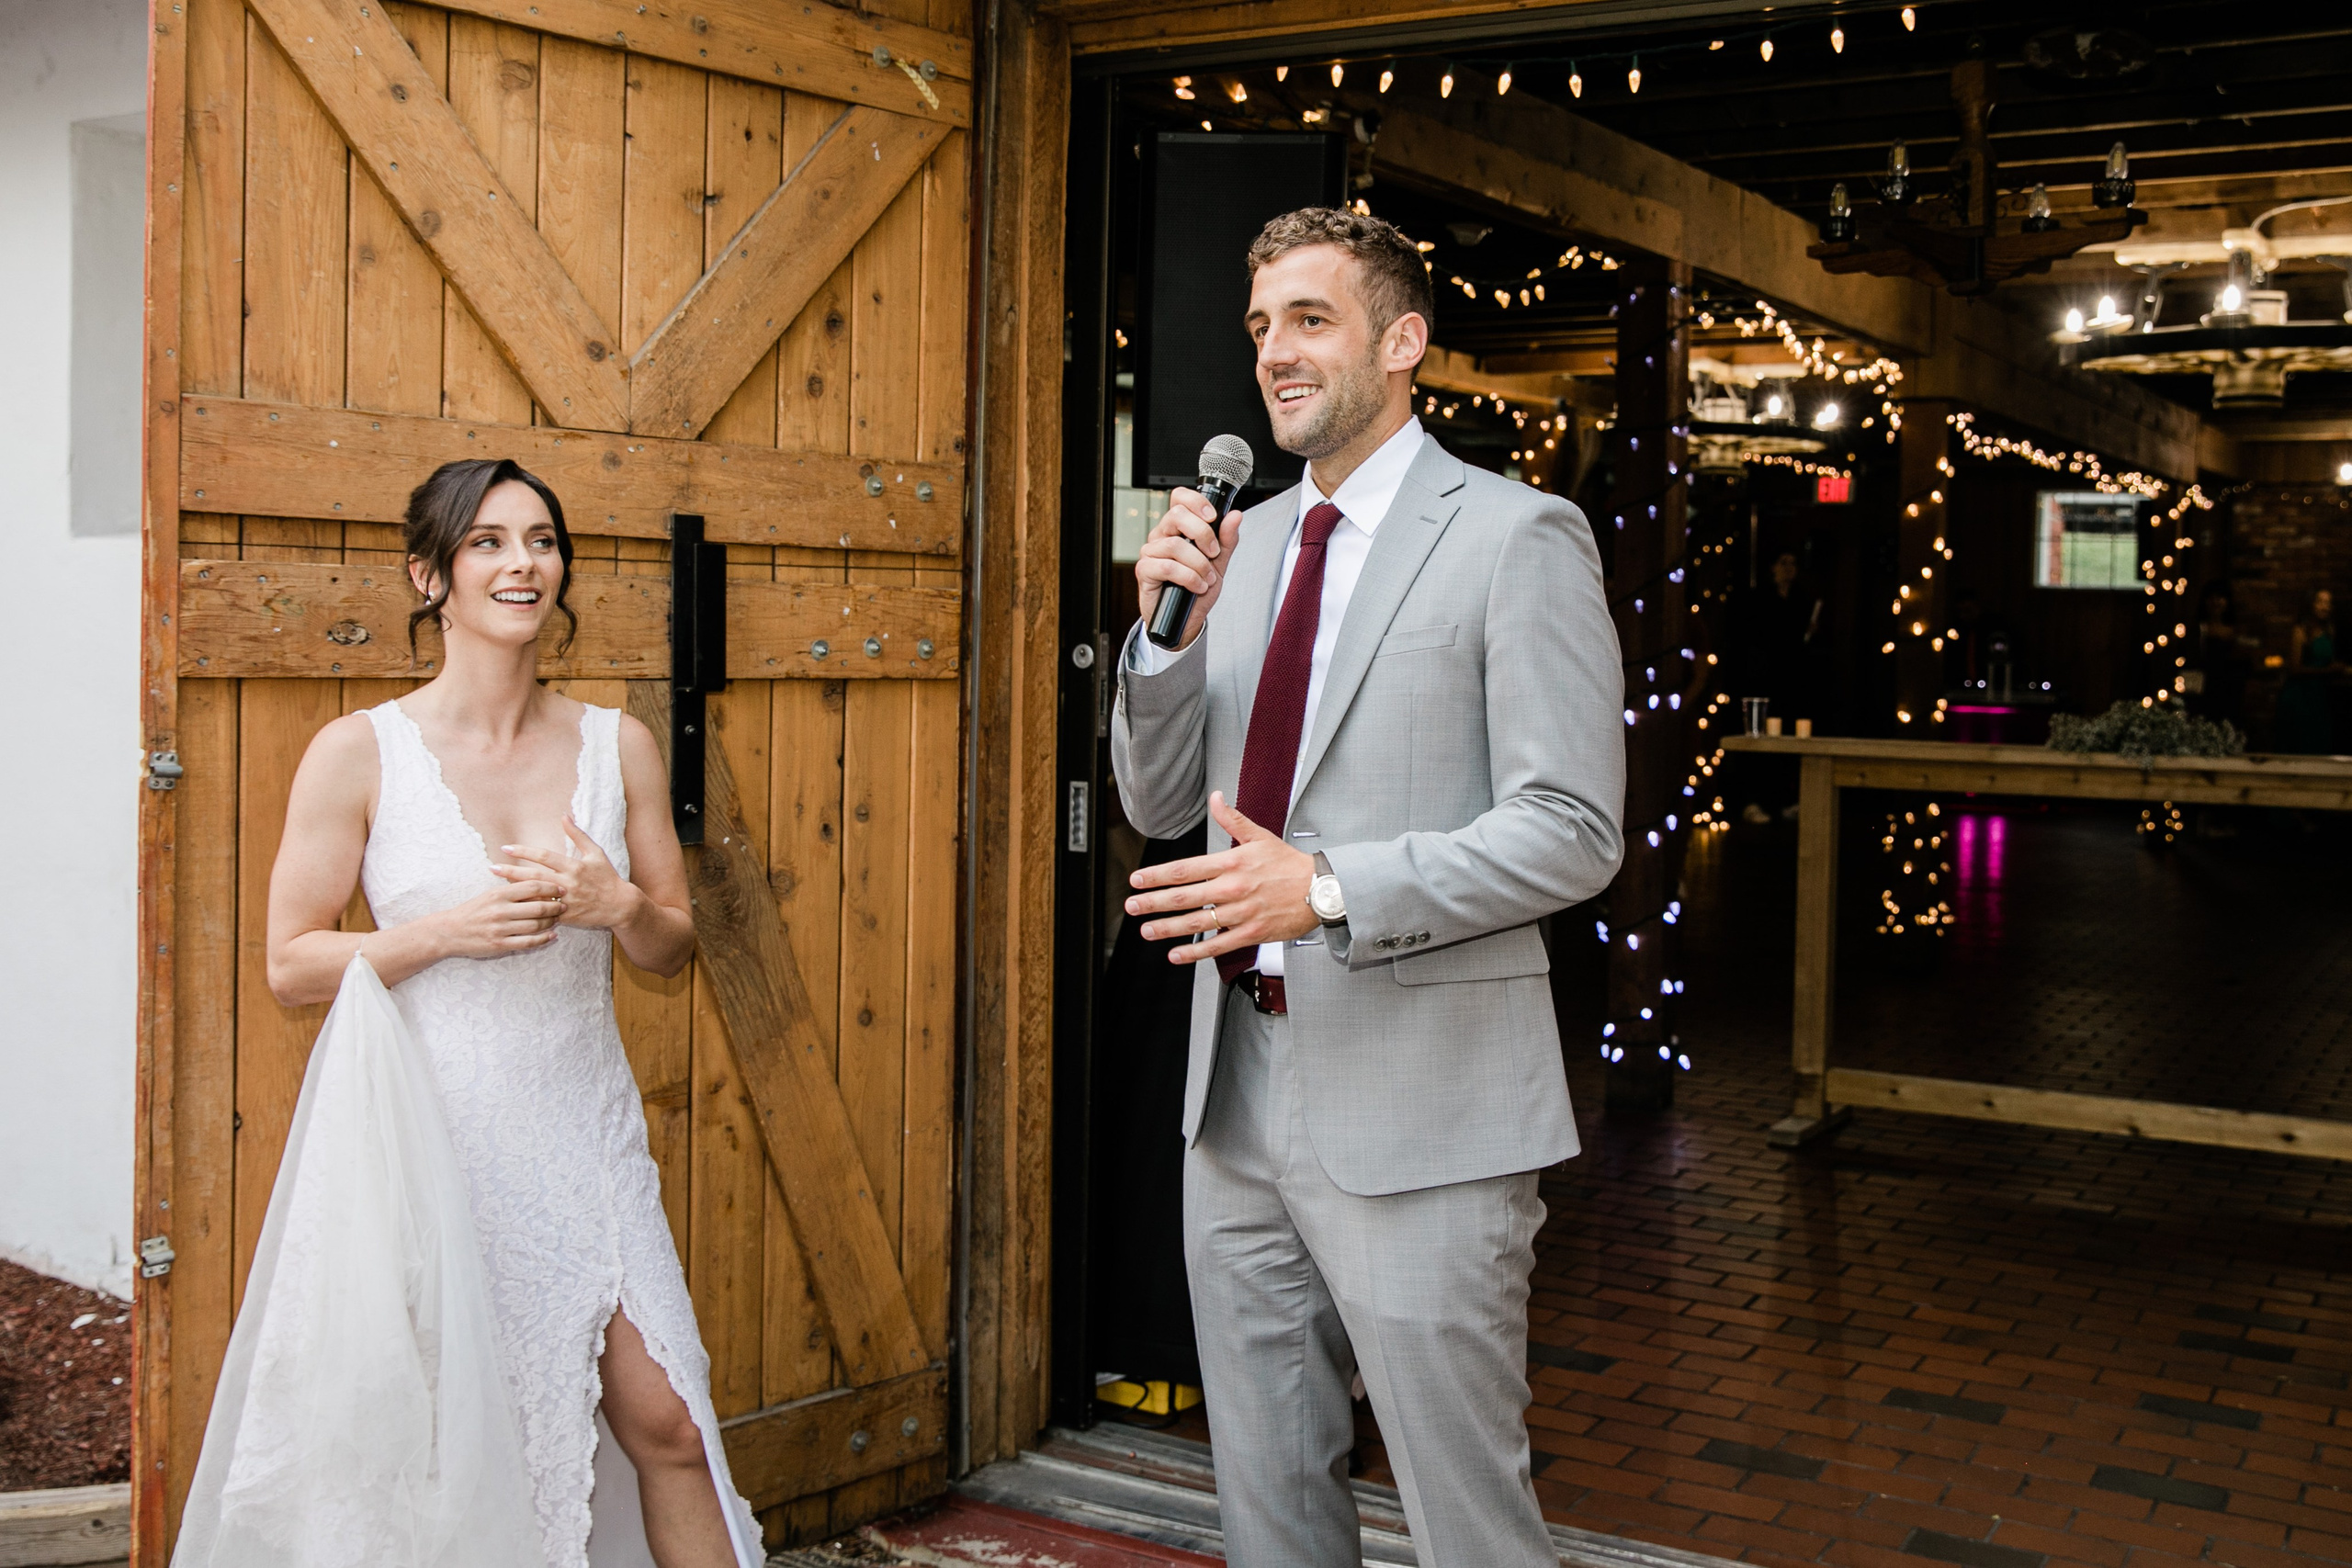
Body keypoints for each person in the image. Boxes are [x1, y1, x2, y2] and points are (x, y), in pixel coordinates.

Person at [1110, 207, 1624, 1567]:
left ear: (1403, 342)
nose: (1276, 351)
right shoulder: (1246, 543)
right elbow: (1158, 806)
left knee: (1471, 1527)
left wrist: (1326, 886)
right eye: (1263, 325)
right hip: (1235, 1103)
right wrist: (1159, 644)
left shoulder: (1520, 536)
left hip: (1428, 1105)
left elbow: (1574, 828)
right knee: (1269, 1507)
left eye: (1311, 319)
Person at [184, 459, 763, 1568]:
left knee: (671, 1425)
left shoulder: (616, 744)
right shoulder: (359, 752)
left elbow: (671, 952)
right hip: (429, 1150)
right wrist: (446, 932)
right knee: (445, 1457)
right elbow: (290, 964)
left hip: (583, 1143)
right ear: (431, 575)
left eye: (540, 539)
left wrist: (618, 903)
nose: (522, 562)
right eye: (488, 542)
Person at [1736, 549, 1821, 823]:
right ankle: (1753, 801)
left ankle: (1786, 800)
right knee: (1760, 738)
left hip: (1791, 679)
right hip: (1763, 679)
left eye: (1793, 563)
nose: (1788, 568)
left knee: (1789, 738)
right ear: (1772, 567)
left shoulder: (1802, 599)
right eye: (1783, 562)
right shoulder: (1759, 599)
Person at [2275, 587, 2341, 754]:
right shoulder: (2300, 631)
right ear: (2311, 605)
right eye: (2320, 602)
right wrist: (2327, 671)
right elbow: (2295, 669)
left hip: (2320, 696)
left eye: (2328, 603)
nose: (2325, 607)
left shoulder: (2330, 631)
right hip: (2300, 695)